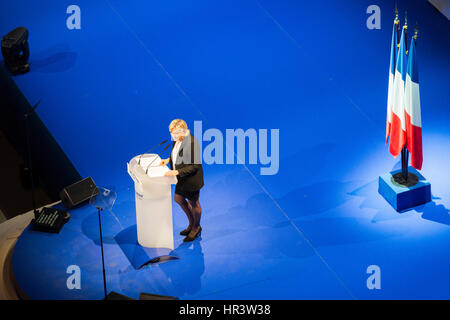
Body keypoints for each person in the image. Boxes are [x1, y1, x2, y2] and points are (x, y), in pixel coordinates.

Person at [160, 119, 204, 242]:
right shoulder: (177, 138)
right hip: (181, 178)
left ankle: (196, 227)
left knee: (194, 203)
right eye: (171, 133)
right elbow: (175, 153)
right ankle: (191, 223)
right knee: (178, 199)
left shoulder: (192, 143)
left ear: (182, 131)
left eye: (174, 133)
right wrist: (168, 160)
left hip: (191, 179)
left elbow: (195, 166)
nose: (172, 136)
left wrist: (177, 172)